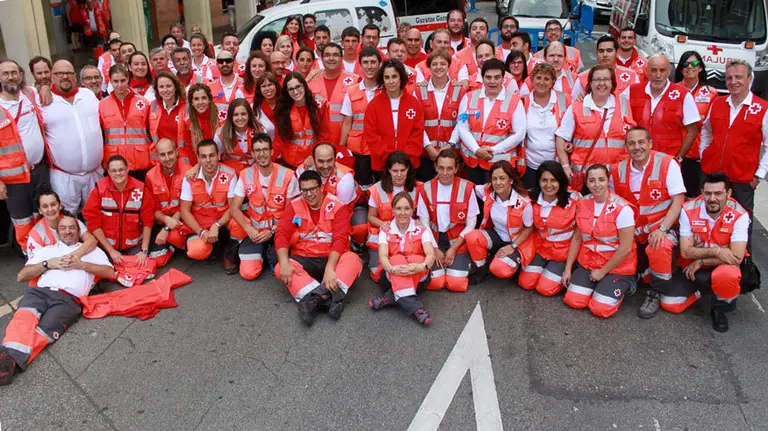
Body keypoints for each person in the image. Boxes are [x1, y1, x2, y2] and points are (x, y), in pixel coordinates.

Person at [0, 214, 114, 386]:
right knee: (24, 319)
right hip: (39, 293)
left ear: (78, 231)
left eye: (72, 228)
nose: (68, 231)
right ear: (58, 232)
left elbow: (110, 272)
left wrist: (82, 265)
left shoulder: (92, 251)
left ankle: (7, 360)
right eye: (63, 228)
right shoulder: (48, 250)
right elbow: (22, 275)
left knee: (43, 333)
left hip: (67, 301)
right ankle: (6, 365)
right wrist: (47, 264)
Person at [610, 127, 686, 318]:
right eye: (632, 143)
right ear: (626, 147)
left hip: (660, 227)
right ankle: (631, 276)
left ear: (650, 143)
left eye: (641, 142)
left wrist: (662, 229)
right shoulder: (617, 169)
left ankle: (656, 291)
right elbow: (613, 202)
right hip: (633, 230)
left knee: (659, 246)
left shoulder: (667, 164)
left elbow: (678, 201)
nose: (637, 147)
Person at [274, 170, 363, 326]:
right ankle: (331, 299)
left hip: (332, 258)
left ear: (321, 187)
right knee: (279, 267)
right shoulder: (295, 206)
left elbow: (340, 239)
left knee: (353, 260)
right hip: (304, 257)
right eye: (304, 190)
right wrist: (284, 262)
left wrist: (330, 268)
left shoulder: (338, 206)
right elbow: (281, 234)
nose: (308, 194)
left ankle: (313, 301)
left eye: (312, 189)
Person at [700, 59, 766, 253]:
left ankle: (743, 265)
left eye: (739, 77)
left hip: (742, 180)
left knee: (741, 225)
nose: (733, 82)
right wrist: (705, 154)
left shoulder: (762, 108)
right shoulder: (718, 103)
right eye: (729, 78)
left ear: (750, 79)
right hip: (713, 175)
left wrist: (758, 175)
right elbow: (706, 131)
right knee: (708, 220)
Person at [674, 172, 748, 332]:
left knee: (727, 275)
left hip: (720, 265)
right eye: (708, 193)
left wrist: (702, 261)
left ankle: (720, 308)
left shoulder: (740, 214)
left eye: (718, 193)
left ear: (728, 193)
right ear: (702, 192)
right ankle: (703, 290)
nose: (712, 198)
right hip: (691, 266)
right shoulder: (688, 209)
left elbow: (736, 257)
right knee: (670, 304)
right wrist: (717, 251)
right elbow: (685, 252)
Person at [562, 164, 637, 318]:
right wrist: (568, 268)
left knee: (600, 309)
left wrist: (602, 272)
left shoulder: (622, 208)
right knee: (573, 301)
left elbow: (626, 248)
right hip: (589, 262)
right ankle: (599, 286)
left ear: (608, 181)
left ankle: (629, 283)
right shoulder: (582, 203)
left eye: (601, 179)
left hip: (617, 266)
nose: (597, 184)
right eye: (592, 180)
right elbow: (577, 238)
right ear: (587, 183)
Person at [555, 65, 635, 192]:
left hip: (616, 177)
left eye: (606, 79)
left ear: (612, 83)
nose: (602, 83)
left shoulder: (624, 103)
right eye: (597, 79)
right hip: (587, 179)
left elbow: (632, 136)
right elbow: (561, 138)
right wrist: (565, 167)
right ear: (590, 83)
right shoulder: (577, 107)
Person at [230, 133, 299, 280]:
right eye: (258, 150)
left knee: (294, 237)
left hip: (279, 230)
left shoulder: (288, 175)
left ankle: (273, 254)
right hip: (255, 231)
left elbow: (292, 212)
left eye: (265, 149)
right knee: (248, 273)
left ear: (272, 151)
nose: (262, 154)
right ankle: (262, 253)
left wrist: (272, 231)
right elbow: (234, 208)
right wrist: (249, 229)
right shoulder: (245, 174)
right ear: (253, 154)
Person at [41, 60, 104, 214]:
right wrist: (43, 87)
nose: (65, 76)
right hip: (64, 177)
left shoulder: (88, 95)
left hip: (94, 174)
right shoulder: (43, 101)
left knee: (97, 215)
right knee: (66, 218)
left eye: (69, 73)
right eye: (59, 73)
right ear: (52, 77)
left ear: (75, 76)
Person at [0, 60, 50, 250]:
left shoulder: (30, 93)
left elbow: (46, 82)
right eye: (5, 73)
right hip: (13, 179)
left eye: (14, 72)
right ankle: (29, 253)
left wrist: (45, 87)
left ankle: (47, 250)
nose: (11, 77)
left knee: (44, 212)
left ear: (21, 75)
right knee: (22, 219)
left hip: (39, 169)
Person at [368, 191, 435, 326]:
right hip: (391, 274)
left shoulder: (422, 229)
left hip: (418, 275)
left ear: (412, 210)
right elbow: (383, 256)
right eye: (398, 208)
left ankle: (391, 297)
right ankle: (417, 310)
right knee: (397, 259)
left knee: (416, 259)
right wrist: (392, 269)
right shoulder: (385, 230)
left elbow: (430, 255)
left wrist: (421, 266)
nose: (402, 212)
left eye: (406, 208)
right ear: (393, 210)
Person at [457, 59, 527, 186]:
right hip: (473, 162)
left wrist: (493, 150)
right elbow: (462, 127)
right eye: (488, 77)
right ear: (482, 78)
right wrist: (476, 149)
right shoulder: (468, 97)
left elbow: (519, 133)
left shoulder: (515, 101)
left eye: (497, 77)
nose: (492, 81)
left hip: (499, 165)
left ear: (503, 79)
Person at [417, 149, 476, 292]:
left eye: (449, 168)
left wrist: (454, 249)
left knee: (456, 284)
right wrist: (434, 249)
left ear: (456, 168)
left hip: (458, 241)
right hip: (434, 240)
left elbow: (471, 224)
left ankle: (467, 263)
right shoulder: (425, 188)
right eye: (441, 168)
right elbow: (424, 223)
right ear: (436, 167)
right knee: (435, 283)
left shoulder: (467, 187)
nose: (445, 172)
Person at [465, 160, 534, 283]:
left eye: (502, 178)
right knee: (472, 236)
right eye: (494, 179)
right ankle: (481, 269)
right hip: (497, 236)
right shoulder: (488, 191)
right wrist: (443, 176)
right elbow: (470, 187)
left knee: (499, 269)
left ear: (511, 180)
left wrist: (513, 246)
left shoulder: (524, 202)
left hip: (516, 242)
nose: (498, 183)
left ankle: (515, 263)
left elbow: (530, 227)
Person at [178, 139, 243, 270]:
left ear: (218, 156)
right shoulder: (190, 177)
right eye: (203, 156)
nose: (208, 160)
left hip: (222, 221)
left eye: (211, 155)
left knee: (241, 224)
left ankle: (229, 256)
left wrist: (217, 225)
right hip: (201, 224)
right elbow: (184, 211)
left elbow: (233, 208)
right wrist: (201, 232)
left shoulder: (230, 174)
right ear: (198, 159)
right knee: (196, 251)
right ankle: (212, 248)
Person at [82, 155, 154, 270]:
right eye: (114, 171)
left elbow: (148, 222)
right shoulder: (99, 190)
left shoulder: (141, 190)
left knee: (142, 270)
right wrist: (111, 250)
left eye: (121, 169)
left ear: (127, 169)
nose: (118, 173)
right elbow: (93, 223)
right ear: (108, 172)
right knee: (100, 271)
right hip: (106, 247)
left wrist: (144, 250)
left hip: (133, 246)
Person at [517, 162, 578, 295]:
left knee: (545, 289)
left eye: (553, 180)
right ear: (539, 181)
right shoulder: (531, 198)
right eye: (544, 180)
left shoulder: (574, 199)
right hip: (541, 249)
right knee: (526, 283)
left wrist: (568, 267)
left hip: (563, 253)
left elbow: (578, 236)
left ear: (560, 181)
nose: (549, 185)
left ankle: (571, 269)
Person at [625, 54, 700, 162]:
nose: (658, 75)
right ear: (646, 71)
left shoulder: (683, 95)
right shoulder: (631, 91)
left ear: (669, 72)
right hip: (636, 159)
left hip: (667, 160)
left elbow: (692, 131)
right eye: (653, 70)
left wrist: (679, 158)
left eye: (662, 70)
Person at [367, 151, 423, 280]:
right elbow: (371, 216)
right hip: (384, 234)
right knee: (378, 274)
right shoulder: (377, 189)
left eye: (402, 170)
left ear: (408, 169)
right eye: (395, 171)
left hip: (408, 233)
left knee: (409, 269)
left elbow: (423, 215)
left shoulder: (419, 188)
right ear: (389, 170)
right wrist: (383, 224)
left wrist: (417, 222)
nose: (399, 174)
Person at [297, 143, 367, 244]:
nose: (325, 166)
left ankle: (355, 244)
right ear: (313, 159)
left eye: (329, 160)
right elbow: (298, 203)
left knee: (360, 228)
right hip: (312, 209)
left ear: (335, 159)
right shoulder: (302, 172)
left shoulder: (345, 179)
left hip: (347, 208)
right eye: (321, 161)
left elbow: (341, 213)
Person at [364, 59, 425, 175]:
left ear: (401, 78)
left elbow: (418, 133)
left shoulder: (414, 103)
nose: (391, 81)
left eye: (394, 76)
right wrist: (389, 158)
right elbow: (371, 136)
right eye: (387, 77)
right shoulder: (373, 105)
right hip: (382, 165)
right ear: (382, 80)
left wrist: (404, 159)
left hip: (409, 164)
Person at [673, 51, 717, 197]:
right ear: (681, 69)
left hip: (696, 153)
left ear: (700, 68)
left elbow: (711, 124)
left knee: (693, 197)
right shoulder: (672, 91)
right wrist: (697, 118)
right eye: (686, 64)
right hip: (674, 150)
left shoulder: (711, 93)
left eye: (694, 63)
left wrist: (690, 120)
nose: (690, 67)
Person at [99, 64, 152, 180]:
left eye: (123, 80)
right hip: (114, 163)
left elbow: (151, 132)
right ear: (110, 81)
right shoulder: (102, 105)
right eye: (115, 81)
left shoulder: (143, 102)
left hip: (140, 161)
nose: (119, 85)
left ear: (128, 79)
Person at [417, 49, 463, 182]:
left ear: (449, 66)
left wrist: (450, 145)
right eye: (434, 64)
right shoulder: (418, 90)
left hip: (451, 155)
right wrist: (428, 147)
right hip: (426, 155)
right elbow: (416, 123)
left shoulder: (460, 91)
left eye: (442, 63)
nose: (439, 67)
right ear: (429, 67)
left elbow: (462, 123)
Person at [522, 63, 570, 189]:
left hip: (556, 165)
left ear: (553, 81)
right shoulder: (523, 101)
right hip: (529, 165)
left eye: (546, 79)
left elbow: (573, 126)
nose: (542, 82)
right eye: (538, 78)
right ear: (532, 79)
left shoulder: (565, 99)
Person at [339, 46, 382, 187]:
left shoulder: (387, 90)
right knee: (363, 188)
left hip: (382, 150)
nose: (369, 66)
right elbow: (347, 122)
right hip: (360, 151)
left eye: (373, 62)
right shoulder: (352, 91)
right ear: (360, 65)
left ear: (379, 64)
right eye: (365, 62)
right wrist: (342, 148)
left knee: (383, 187)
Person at [144, 138, 191, 266]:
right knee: (158, 261)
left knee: (175, 237)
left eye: (170, 153)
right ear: (157, 156)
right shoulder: (150, 176)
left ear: (176, 152)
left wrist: (167, 228)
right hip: (161, 221)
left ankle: (181, 243)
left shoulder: (188, 172)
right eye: (162, 154)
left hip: (182, 220)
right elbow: (152, 209)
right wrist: (166, 220)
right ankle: (173, 247)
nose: (167, 158)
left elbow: (187, 206)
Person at [307, 42, 359, 147]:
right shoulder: (311, 81)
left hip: (346, 142)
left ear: (342, 58)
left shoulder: (355, 81)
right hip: (318, 143)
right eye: (327, 55)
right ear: (321, 59)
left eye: (335, 55)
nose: (331, 58)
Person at [274, 72, 329, 169]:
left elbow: (325, 135)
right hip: (291, 161)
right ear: (287, 92)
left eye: (298, 86)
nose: (295, 92)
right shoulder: (282, 109)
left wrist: (314, 155)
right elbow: (279, 140)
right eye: (291, 89)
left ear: (304, 85)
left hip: (315, 160)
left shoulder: (320, 105)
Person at [25, 189, 97, 262]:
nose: (50, 209)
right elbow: (33, 265)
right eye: (45, 206)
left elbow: (92, 241)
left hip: (75, 261)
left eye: (53, 204)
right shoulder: (36, 234)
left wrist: (73, 256)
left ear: (60, 206)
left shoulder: (71, 221)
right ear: (40, 210)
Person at [571, 36, 639, 100]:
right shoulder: (583, 78)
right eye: (601, 51)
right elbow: (574, 103)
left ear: (617, 53)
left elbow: (637, 103)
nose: (605, 55)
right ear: (596, 54)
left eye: (609, 50)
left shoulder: (632, 76)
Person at [149, 72, 192, 164]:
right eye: (161, 87)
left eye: (168, 86)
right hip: (161, 161)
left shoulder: (188, 106)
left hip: (184, 161)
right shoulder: (153, 106)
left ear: (175, 87)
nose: (165, 90)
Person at [214, 99, 264, 174]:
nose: (240, 118)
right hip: (231, 172)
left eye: (243, 114)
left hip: (255, 169)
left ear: (249, 115)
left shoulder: (259, 131)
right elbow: (215, 156)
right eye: (236, 115)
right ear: (230, 116)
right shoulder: (220, 134)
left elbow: (265, 153)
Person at [184, 83, 219, 158]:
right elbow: (189, 149)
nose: (200, 102)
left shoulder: (220, 117)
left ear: (209, 100)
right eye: (196, 99)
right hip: (200, 161)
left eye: (203, 98)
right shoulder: (188, 123)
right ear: (192, 103)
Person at [208, 51, 245, 120]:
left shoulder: (244, 84)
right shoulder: (210, 87)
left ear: (234, 62)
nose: (224, 64)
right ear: (217, 64)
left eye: (228, 61)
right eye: (220, 61)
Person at [253, 72, 279, 140]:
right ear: (259, 89)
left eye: (270, 85)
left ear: (276, 85)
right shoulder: (255, 108)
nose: (267, 89)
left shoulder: (286, 104)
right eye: (263, 86)